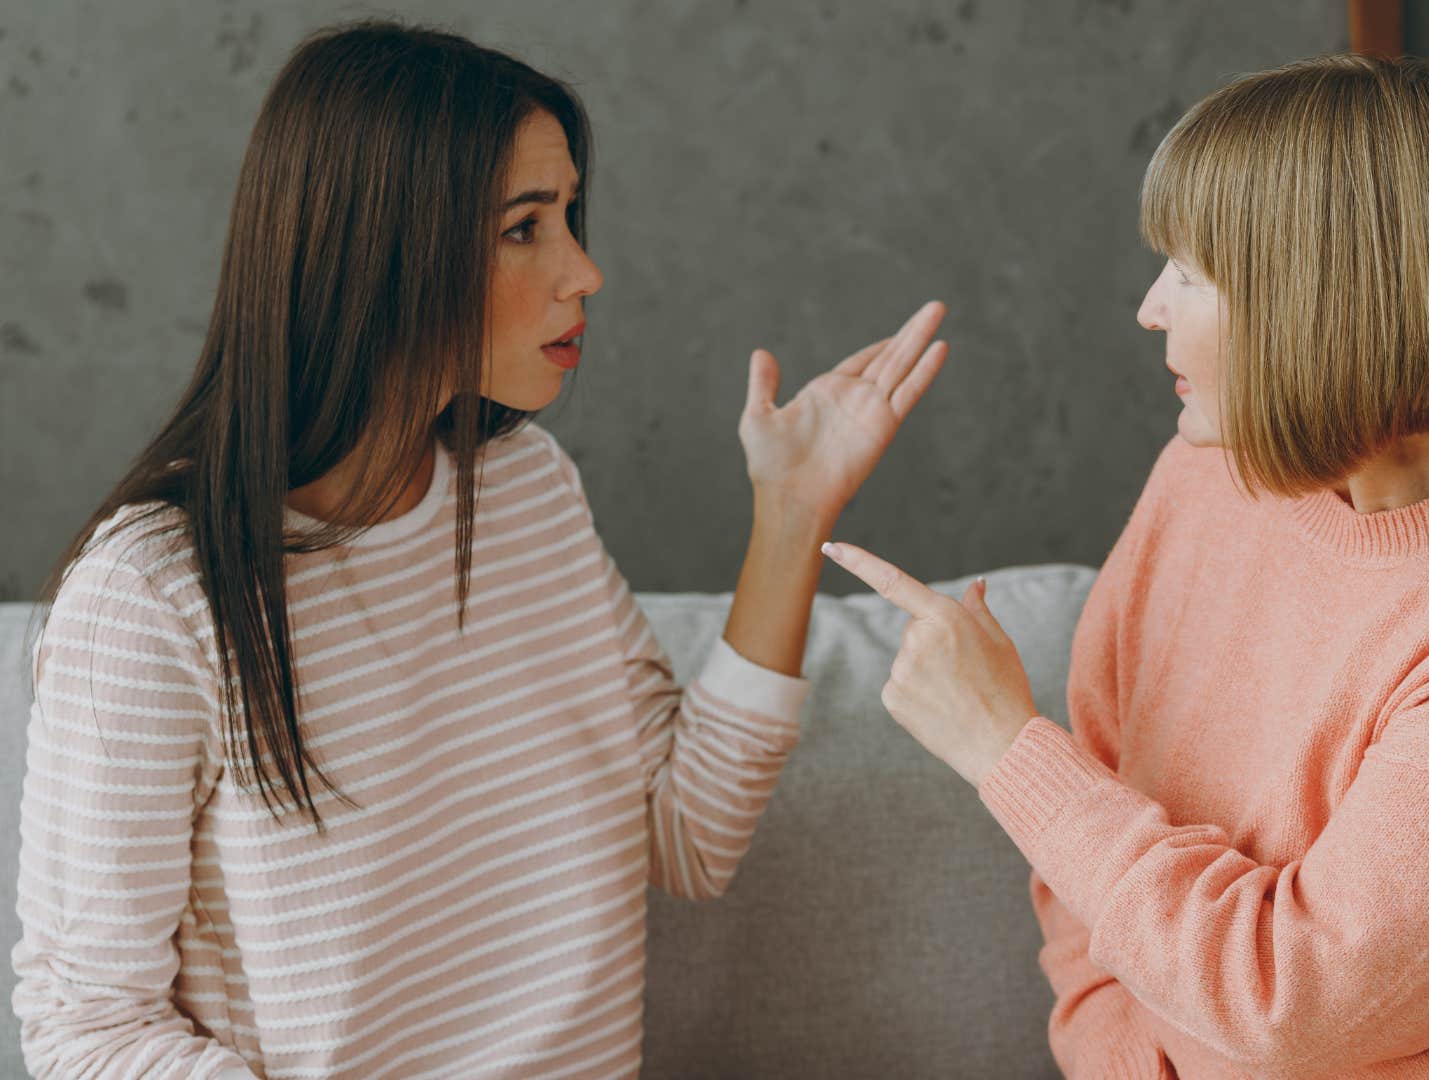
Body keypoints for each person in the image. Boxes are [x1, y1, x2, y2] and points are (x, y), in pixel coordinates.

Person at [13, 20, 947, 1078]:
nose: (584, 271)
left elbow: (688, 834)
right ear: (382, 248)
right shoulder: (154, 593)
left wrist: (790, 514)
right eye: (523, 228)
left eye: (569, 216)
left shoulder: (526, 493)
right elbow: (85, 1029)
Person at [825, 54, 1429, 1077]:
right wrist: (1123, 1054)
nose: (1150, 308)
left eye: (1190, 272)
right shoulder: (1213, 476)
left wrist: (1003, 748)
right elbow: (1088, 855)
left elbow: (1303, 1002)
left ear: (1317, 292)